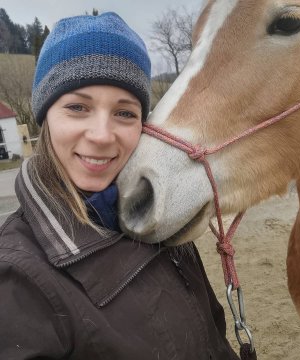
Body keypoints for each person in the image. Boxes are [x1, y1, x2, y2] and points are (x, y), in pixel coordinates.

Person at [0, 12, 239, 360]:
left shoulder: (161, 219)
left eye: (125, 113)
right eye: (78, 107)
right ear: (45, 117)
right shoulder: (17, 279)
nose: (101, 135)